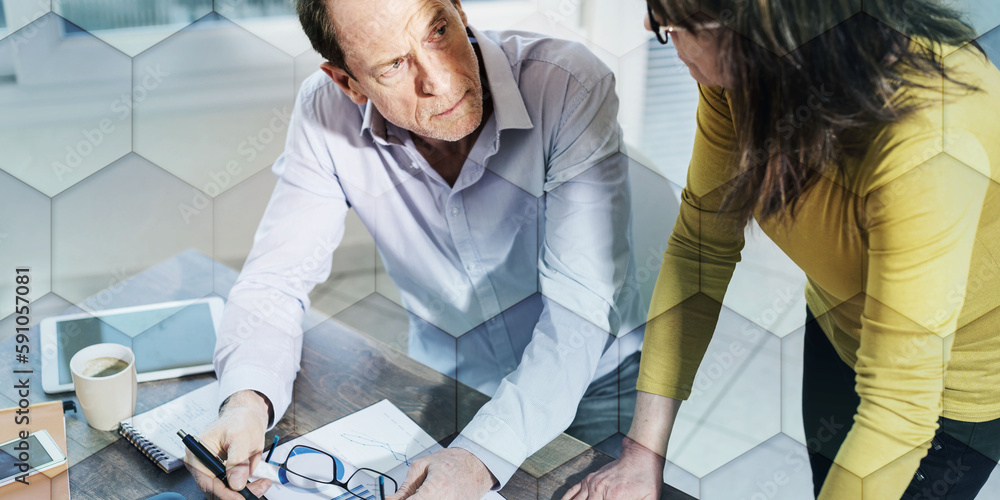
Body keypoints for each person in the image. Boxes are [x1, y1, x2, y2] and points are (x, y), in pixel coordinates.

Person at [185, 0, 646, 499]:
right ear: (349, 84)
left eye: (438, 30)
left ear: (460, 9)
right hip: (446, 379)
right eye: (393, 65)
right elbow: (275, 280)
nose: (440, 80)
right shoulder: (324, 110)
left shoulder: (566, 85)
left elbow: (580, 309)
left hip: (595, 379)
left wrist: (479, 456)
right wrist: (247, 402)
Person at [565, 1, 1000, 499]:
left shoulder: (929, 140)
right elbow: (701, 247)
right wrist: (642, 453)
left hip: (953, 385)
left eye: (676, 17)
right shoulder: (742, 78)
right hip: (840, 327)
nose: (649, 25)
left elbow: (899, 408)